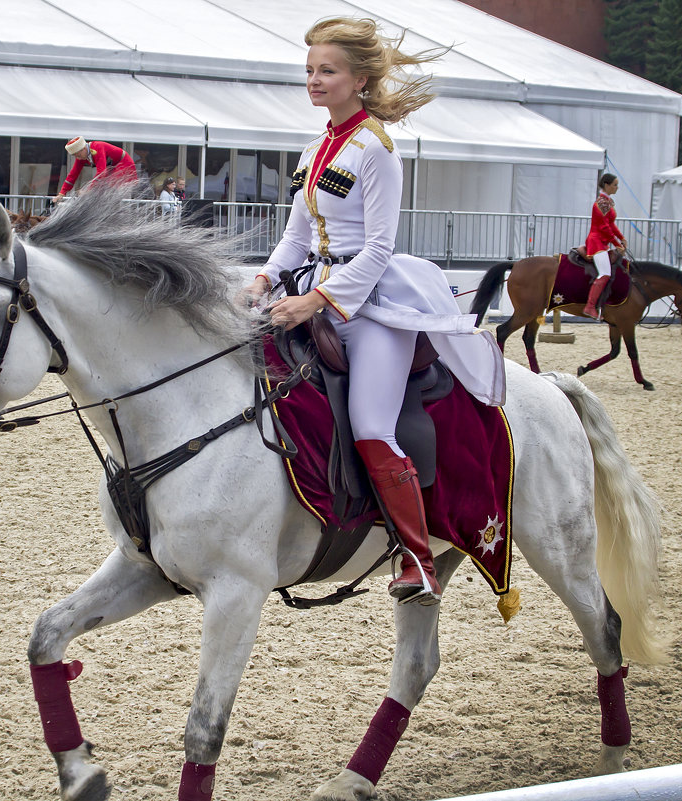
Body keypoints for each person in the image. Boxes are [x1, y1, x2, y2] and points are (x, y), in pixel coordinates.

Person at [239, 17, 505, 607]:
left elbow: (380, 247)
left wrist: (315, 300)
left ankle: (416, 557)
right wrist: (260, 280)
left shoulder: (377, 148)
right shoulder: (314, 150)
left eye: (326, 71)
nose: (314, 81)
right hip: (311, 285)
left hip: (372, 306)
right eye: (309, 71)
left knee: (370, 425)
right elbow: (294, 239)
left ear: (358, 79)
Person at [583, 173, 627, 319]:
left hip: (602, 241)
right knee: (605, 273)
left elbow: (611, 225)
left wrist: (621, 238)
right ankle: (590, 306)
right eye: (615, 184)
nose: (617, 187)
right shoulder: (601, 203)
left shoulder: (607, 202)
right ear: (607, 185)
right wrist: (616, 243)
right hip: (596, 242)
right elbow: (604, 227)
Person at [53, 137, 137, 201]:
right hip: (112, 167)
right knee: (102, 189)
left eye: (78, 155)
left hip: (124, 164)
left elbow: (101, 173)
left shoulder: (97, 147)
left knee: (110, 188)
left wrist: (88, 190)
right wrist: (62, 193)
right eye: (75, 156)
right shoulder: (81, 156)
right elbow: (73, 175)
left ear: (83, 149)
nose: (77, 158)